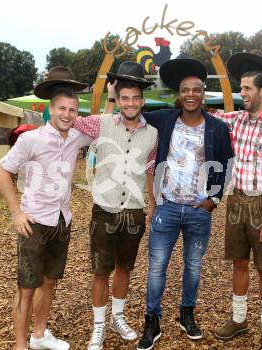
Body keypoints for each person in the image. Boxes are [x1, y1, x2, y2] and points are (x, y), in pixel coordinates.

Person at [106, 55, 234, 350]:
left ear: (203, 93)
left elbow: (226, 164)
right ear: (179, 94)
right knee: (156, 267)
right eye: (185, 90)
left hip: (198, 210)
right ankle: (152, 320)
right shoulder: (163, 119)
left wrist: (214, 198)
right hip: (167, 207)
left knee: (193, 266)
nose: (191, 95)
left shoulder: (216, 128)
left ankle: (186, 314)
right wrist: (114, 95)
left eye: (196, 90)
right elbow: (130, 113)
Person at [0, 67, 91, 350]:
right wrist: (16, 212)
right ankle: (20, 344)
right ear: (51, 110)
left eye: (72, 109)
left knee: (49, 282)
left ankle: (39, 336)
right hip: (34, 221)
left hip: (62, 220)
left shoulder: (76, 138)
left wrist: (110, 97)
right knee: (26, 288)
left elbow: (102, 124)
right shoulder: (31, 139)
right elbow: (3, 172)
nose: (67, 114)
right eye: (62, 108)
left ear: (77, 113)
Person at [72, 61, 158, 350]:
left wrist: (153, 205)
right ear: (118, 99)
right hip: (104, 210)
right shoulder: (103, 122)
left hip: (133, 212)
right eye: (125, 98)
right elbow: (71, 121)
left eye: (135, 98)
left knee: (125, 268)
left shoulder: (153, 134)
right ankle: (98, 326)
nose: (130, 103)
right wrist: (107, 98)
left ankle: (117, 317)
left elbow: (149, 171)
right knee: (100, 271)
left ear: (142, 101)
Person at [210, 52, 262, 350]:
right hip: (237, 201)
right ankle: (239, 318)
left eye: (246, 88)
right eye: (240, 88)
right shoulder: (238, 120)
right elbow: (211, 117)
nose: (241, 93)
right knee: (239, 263)